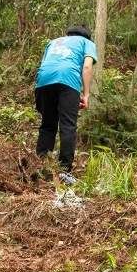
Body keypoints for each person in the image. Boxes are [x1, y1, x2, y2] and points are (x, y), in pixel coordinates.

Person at [34, 25, 97, 184]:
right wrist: (86, 94)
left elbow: (44, 63)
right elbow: (87, 66)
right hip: (68, 81)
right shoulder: (86, 43)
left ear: (68, 34)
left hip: (43, 81)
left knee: (48, 124)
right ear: (87, 37)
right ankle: (64, 171)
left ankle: (42, 164)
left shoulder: (54, 42)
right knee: (68, 125)